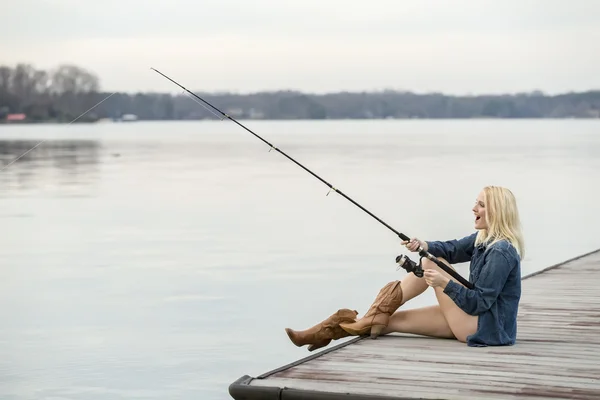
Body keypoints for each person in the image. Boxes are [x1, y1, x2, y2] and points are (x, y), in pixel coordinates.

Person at [285, 185, 524, 349]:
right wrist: (422, 244)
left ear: (497, 212)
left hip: (486, 329)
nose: (474, 209)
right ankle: (325, 332)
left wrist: (444, 284)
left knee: (430, 261)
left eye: (481, 205)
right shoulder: (483, 240)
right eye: (476, 203)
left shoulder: (501, 251)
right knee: (389, 321)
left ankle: (359, 318)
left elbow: (480, 302)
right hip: (476, 323)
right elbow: (452, 249)